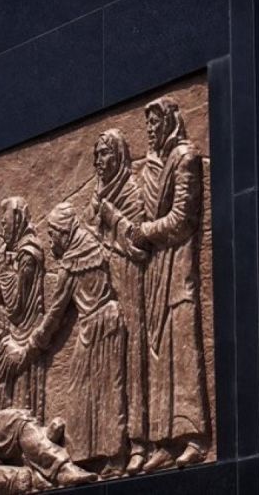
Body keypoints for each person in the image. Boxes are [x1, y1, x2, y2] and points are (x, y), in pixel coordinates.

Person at [101, 97, 210, 472]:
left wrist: (144, 232)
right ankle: (164, 442)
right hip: (152, 274)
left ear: (170, 121)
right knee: (158, 358)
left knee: (183, 352)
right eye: (146, 123)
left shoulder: (185, 158)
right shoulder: (153, 164)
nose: (150, 129)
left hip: (177, 271)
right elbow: (144, 213)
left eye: (155, 121)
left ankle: (194, 437)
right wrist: (125, 224)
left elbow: (182, 219)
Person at [2, 202, 128, 476]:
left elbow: (54, 317)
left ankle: (98, 458)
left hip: (96, 328)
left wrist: (28, 351)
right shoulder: (91, 243)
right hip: (110, 322)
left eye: (53, 235)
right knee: (106, 390)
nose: (51, 243)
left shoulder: (71, 264)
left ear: (64, 232)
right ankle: (107, 458)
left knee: (87, 390)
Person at [85, 128, 149, 473]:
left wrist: (112, 217)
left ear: (120, 155)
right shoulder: (97, 195)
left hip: (128, 281)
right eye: (96, 154)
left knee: (132, 361)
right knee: (108, 366)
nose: (99, 160)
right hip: (102, 290)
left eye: (105, 153)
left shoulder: (131, 191)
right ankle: (111, 446)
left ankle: (138, 443)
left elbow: (139, 243)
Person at [0, 196, 46, 420]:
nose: (3, 230)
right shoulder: (21, 252)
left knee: (25, 397)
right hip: (18, 333)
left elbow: (16, 304)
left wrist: (3, 272)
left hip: (26, 335)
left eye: (5, 224)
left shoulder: (27, 255)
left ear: (17, 220)